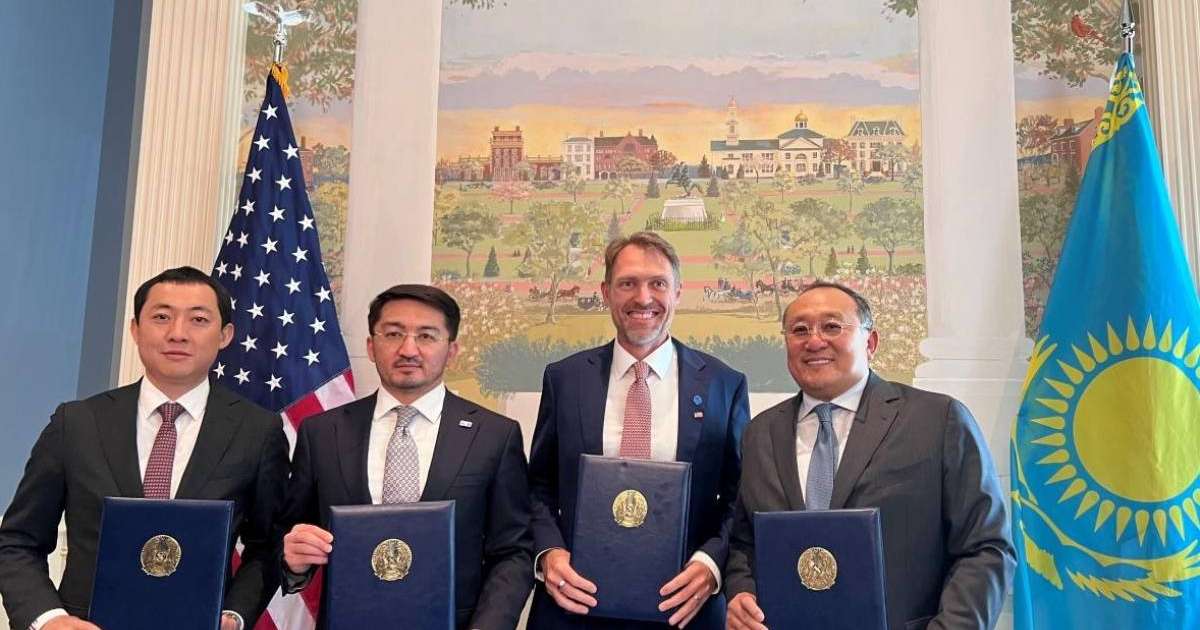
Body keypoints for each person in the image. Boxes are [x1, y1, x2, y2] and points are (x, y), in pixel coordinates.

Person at [0, 266, 289, 630]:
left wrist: (233, 615)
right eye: (161, 317)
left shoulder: (258, 431)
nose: (178, 333)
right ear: (135, 329)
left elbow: (267, 547)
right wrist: (49, 620)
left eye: (198, 319)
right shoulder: (76, 423)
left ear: (225, 335)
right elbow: (17, 541)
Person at [725, 282, 1015, 630]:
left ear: (870, 342)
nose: (814, 340)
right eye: (799, 330)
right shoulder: (761, 433)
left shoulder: (938, 420)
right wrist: (741, 591)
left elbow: (985, 548)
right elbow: (745, 541)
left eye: (832, 326)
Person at [527, 232, 750, 629]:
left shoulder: (723, 384)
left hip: (685, 609)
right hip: (575, 606)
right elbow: (537, 486)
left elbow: (739, 495)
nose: (643, 298)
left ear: (678, 292)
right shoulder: (564, 379)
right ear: (606, 292)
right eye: (627, 283)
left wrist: (711, 563)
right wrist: (549, 553)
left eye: (658, 284)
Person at [279, 284, 533, 630]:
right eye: (393, 333)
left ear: (452, 349)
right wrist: (294, 560)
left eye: (427, 336)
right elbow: (294, 532)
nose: (408, 349)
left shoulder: (494, 436)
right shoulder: (322, 433)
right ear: (371, 345)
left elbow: (513, 551)